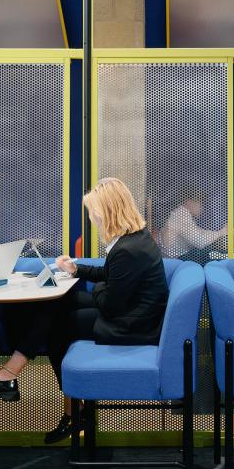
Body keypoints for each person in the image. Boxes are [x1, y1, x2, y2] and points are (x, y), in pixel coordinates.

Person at [44, 177, 169, 443]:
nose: (91, 218)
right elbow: (113, 276)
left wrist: (100, 286)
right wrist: (76, 269)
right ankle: (70, 407)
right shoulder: (136, 239)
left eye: (92, 211)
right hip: (134, 313)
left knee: (56, 329)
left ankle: (73, 411)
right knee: (61, 304)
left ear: (106, 212)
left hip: (132, 325)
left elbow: (109, 302)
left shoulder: (127, 249)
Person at [158, 186, 230, 264]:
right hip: (175, 260)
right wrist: (221, 232)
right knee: (213, 254)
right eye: (200, 203)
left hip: (178, 257)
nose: (202, 208)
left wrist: (221, 232)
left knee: (215, 252)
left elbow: (201, 232)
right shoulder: (181, 216)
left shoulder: (182, 214)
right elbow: (200, 242)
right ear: (188, 202)